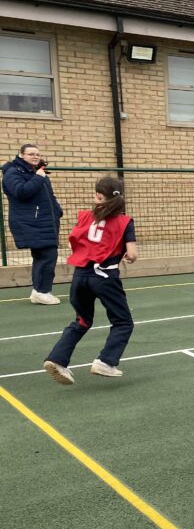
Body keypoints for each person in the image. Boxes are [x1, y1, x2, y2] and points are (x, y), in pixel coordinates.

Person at [42, 176, 137, 384]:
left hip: (80, 275)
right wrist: (126, 255)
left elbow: (73, 243)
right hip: (104, 277)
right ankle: (105, 361)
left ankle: (57, 359)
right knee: (123, 321)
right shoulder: (124, 221)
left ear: (97, 195)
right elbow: (132, 253)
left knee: (82, 320)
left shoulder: (85, 217)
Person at [2, 144, 64, 304]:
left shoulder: (37, 173)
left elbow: (49, 196)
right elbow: (21, 192)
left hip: (45, 222)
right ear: (21, 155)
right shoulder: (13, 172)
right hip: (31, 223)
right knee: (47, 255)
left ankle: (39, 291)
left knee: (43, 256)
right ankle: (42, 291)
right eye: (31, 154)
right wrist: (38, 177)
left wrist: (57, 210)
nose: (35, 156)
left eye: (37, 154)